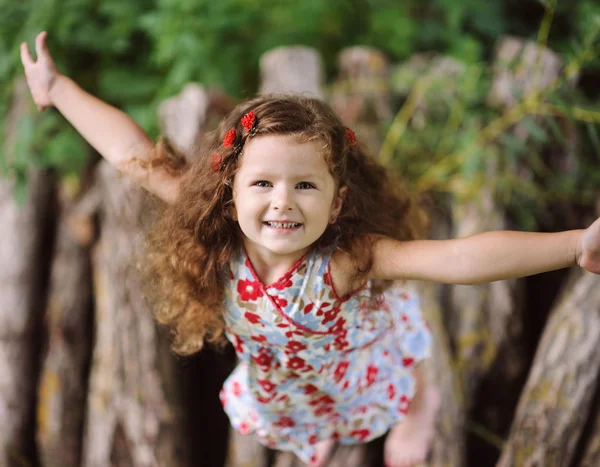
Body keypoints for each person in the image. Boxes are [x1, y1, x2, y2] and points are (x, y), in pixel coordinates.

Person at [20, 31, 600, 467]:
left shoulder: (349, 260)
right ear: (229, 192)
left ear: (337, 200)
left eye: (305, 185)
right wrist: (57, 89)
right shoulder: (222, 240)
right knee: (309, 413)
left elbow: (459, 258)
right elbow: (132, 155)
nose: (282, 202)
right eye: (263, 184)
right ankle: (320, 420)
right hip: (286, 379)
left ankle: (419, 402)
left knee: (404, 352)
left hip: (358, 358)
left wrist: (576, 244)